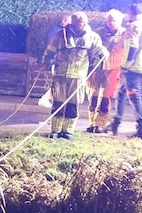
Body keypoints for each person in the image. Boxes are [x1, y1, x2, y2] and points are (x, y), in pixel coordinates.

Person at [42, 11, 108, 139]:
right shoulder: (60, 35)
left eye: (81, 22)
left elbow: (99, 49)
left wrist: (104, 53)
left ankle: (68, 131)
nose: (79, 24)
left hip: (78, 76)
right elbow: (50, 50)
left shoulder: (92, 37)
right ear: (72, 22)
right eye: (76, 22)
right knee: (58, 103)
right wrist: (47, 62)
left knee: (73, 104)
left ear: (85, 23)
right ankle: (55, 130)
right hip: (60, 74)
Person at [112, 3, 142, 140]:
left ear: (130, 13)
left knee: (133, 96)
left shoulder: (132, 27)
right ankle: (116, 122)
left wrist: (125, 65)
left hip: (132, 67)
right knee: (120, 93)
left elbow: (132, 47)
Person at [87, 9, 126, 133]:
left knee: (105, 98)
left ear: (120, 21)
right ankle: (92, 122)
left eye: (114, 20)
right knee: (93, 97)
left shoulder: (124, 34)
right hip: (97, 69)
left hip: (113, 70)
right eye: (109, 20)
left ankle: (100, 124)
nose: (111, 23)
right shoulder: (99, 33)